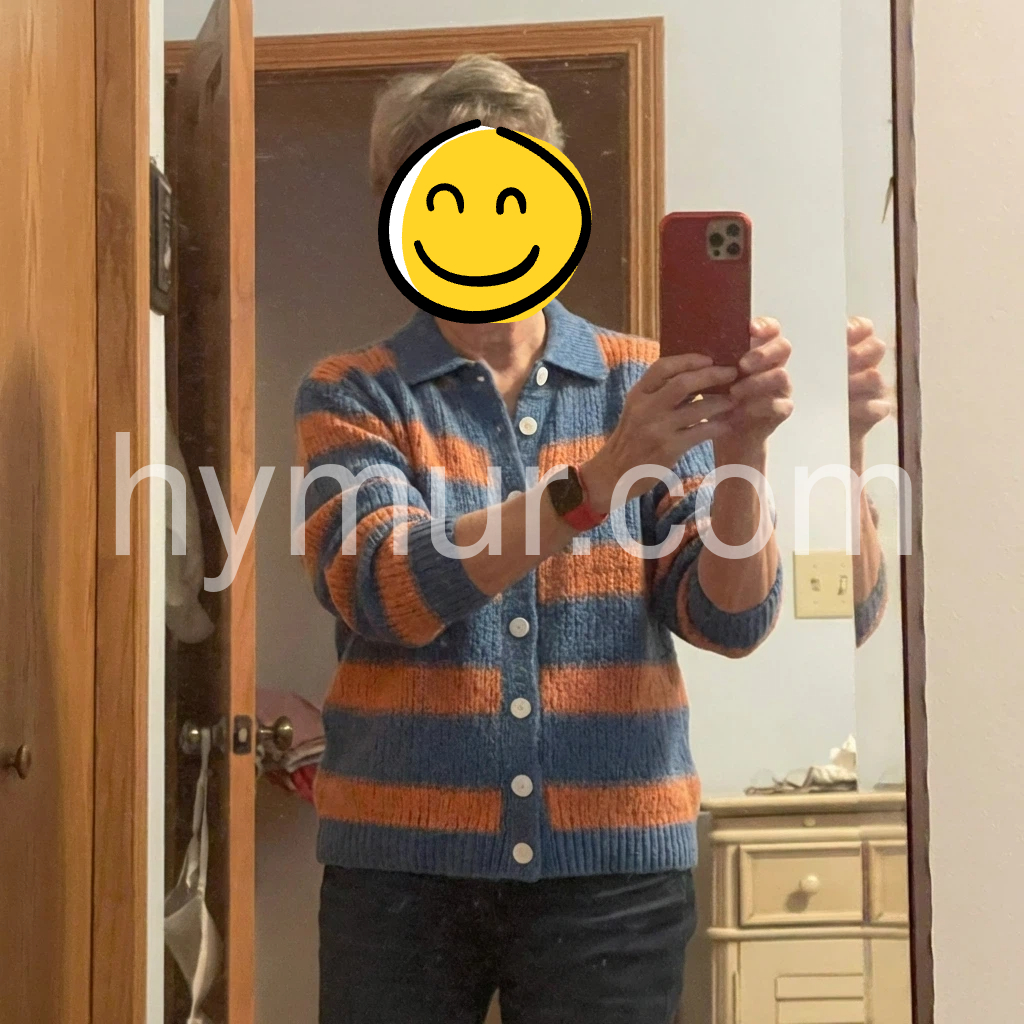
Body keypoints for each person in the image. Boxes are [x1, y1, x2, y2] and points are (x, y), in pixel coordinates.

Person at [296, 55, 792, 1024]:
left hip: (615, 876)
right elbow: (385, 588)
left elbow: (728, 618)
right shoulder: (352, 391)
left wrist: (745, 452)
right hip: (399, 875)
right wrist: (601, 477)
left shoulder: (641, 383)